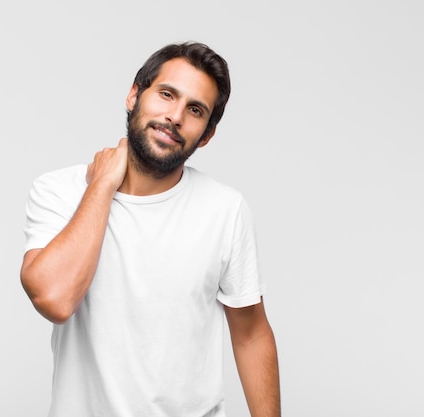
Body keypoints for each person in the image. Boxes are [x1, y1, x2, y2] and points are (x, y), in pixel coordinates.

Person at [20, 41, 280, 417]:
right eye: (166, 94)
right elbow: (55, 299)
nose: (175, 116)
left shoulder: (226, 209)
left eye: (195, 110)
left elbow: (251, 334)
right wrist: (101, 187)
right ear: (134, 95)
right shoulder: (60, 191)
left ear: (206, 134)